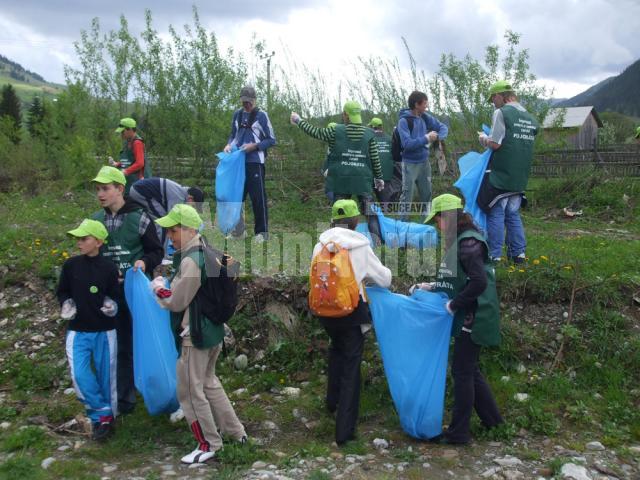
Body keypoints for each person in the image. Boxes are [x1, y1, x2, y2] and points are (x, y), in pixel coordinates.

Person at [151, 204, 247, 464]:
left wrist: (158, 287)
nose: (170, 236)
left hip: (195, 334)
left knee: (190, 391)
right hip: (211, 330)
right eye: (169, 231)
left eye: (174, 230)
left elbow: (177, 300)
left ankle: (208, 444)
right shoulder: (207, 251)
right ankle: (237, 433)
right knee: (209, 383)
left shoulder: (192, 259)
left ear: (190, 228)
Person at [415, 193, 502, 445]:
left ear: (449, 218)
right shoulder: (461, 242)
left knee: (462, 372)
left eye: (438, 220)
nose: (437, 226)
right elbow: (458, 278)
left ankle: (458, 433)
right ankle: (493, 422)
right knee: (470, 370)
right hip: (469, 312)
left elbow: (478, 281)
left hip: (474, 316)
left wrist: (453, 305)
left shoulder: (468, 243)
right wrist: (430, 286)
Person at [311, 199, 392, 445]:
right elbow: (384, 278)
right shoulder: (360, 246)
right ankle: (344, 431)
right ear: (356, 221)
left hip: (325, 312)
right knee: (351, 367)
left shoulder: (321, 245)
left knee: (336, 351)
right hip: (350, 313)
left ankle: (332, 403)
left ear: (334, 219)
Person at [91, 166, 164, 415]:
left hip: (135, 294)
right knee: (116, 345)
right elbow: (87, 256)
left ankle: (156, 390)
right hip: (107, 295)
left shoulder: (140, 217)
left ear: (120, 189)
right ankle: (123, 398)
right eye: (98, 189)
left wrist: (144, 262)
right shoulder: (95, 221)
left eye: (105, 188)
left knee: (141, 342)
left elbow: (157, 251)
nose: (100, 194)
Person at [56, 219, 121, 441]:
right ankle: (101, 412)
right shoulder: (71, 265)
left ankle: (105, 422)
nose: (79, 243)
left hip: (105, 330)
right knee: (80, 375)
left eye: (84, 239)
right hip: (77, 330)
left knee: (107, 378)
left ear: (99, 242)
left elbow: (115, 295)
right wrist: (66, 304)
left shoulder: (110, 268)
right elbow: (62, 290)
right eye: (78, 239)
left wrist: (112, 306)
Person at [291, 102, 385, 241]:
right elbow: (375, 159)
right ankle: (377, 244)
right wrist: (379, 178)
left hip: (341, 179)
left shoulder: (335, 130)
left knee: (340, 214)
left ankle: (338, 243)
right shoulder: (369, 134)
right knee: (371, 214)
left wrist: (298, 120)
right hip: (362, 180)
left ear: (346, 114)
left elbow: (315, 132)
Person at [478, 81, 539, 263]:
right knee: (513, 213)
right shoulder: (529, 118)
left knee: (496, 211)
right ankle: (518, 254)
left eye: (493, 98)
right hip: (520, 174)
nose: (493, 103)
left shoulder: (501, 112)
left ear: (500, 95)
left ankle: (494, 255)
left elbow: (496, 143)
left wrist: (483, 139)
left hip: (502, 173)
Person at [223, 86, 276, 242]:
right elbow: (234, 136)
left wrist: (254, 146)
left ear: (254, 100)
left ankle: (262, 233)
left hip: (255, 163)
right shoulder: (237, 115)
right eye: (244, 102)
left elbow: (271, 140)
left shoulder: (262, 116)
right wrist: (228, 146)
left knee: (257, 198)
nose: (246, 105)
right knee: (236, 197)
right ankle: (238, 231)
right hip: (237, 162)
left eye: (249, 102)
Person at [397, 91, 449, 221]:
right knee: (407, 195)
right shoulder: (404, 121)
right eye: (425, 104)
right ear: (416, 104)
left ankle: (425, 222)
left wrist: (438, 137)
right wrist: (426, 138)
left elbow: (442, 127)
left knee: (427, 194)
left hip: (424, 162)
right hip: (409, 163)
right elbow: (407, 144)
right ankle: (402, 225)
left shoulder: (425, 117)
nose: (426, 106)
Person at [129, 177, 204, 247]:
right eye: (193, 206)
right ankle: (160, 253)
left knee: (160, 221)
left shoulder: (182, 192)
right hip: (139, 192)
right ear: (190, 199)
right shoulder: (178, 197)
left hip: (142, 192)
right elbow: (171, 219)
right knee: (163, 223)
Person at [368, 117, 402, 209]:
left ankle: (370, 214)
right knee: (384, 200)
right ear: (381, 127)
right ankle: (386, 215)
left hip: (371, 174)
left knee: (367, 199)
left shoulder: (369, 139)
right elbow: (396, 155)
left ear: (371, 127)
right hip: (386, 175)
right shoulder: (390, 139)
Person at [109, 118, 147, 194]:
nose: (121, 134)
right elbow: (129, 161)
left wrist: (125, 171)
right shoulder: (128, 142)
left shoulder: (137, 143)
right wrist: (116, 164)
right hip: (129, 182)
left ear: (130, 130)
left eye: (123, 131)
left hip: (138, 182)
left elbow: (140, 163)